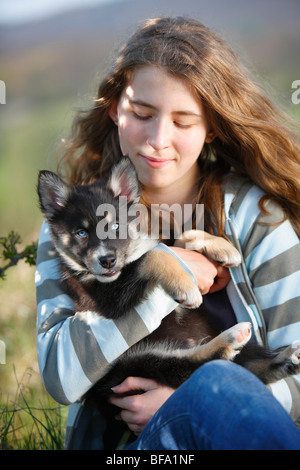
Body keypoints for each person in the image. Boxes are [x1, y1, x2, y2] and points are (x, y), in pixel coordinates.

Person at [35, 17, 300, 450]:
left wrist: (193, 404)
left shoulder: (257, 217)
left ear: (211, 125)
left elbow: (298, 368)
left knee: (216, 384)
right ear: (114, 109)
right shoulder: (71, 233)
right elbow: (60, 376)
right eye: (142, 113)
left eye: (183, 121)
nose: (158, 139)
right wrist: (168, 276)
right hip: (137, 451)